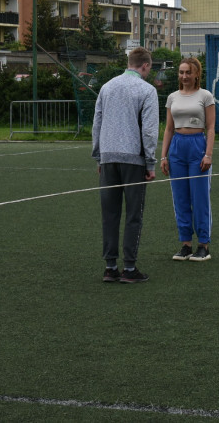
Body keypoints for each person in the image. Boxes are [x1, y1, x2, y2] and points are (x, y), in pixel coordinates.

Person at [92, 46, 159, 283]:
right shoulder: (147, 90)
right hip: (134, 160)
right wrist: (150, 163)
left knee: (109, 214)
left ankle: (110, 267)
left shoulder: (107, 87)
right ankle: (129, 269)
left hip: (108, 158)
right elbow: (150, 131)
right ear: (145, 65)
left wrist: (99, 156)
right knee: (133, 214)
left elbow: (96, 123)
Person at [160, 57, 215, 262]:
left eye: (188, 72)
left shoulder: (205, 96)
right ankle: (185, 244)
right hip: (177, 148)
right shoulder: (172, 97)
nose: (184, 76)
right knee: (180, 198)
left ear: (196, 74)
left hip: (197, 147)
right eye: (181, 72)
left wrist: (208, 154)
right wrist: (163, 156)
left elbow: (210, 128)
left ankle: (203, 245)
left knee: (199, 198)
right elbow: (168, 129)